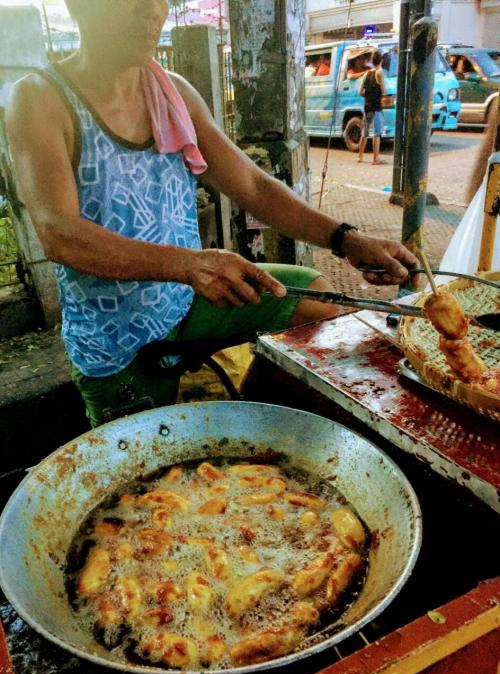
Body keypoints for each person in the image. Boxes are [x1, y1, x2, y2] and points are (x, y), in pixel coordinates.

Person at [5, 0, 419, 427]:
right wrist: (190, 265)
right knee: (150, 476)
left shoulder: (174, 93)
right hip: (117, 342)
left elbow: (253, 185)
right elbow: (59, 233)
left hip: (187, 303)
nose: (151, 12)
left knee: (313, 299)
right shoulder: (39, 99)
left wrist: (345, 239)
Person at [358, 50, 387, 165]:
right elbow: (384, 91)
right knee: (377, 133)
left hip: (367, 106)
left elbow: (360, 92)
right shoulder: (379, 73)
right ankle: (375, 159)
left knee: (364, 133)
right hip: (376, 107)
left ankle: (360, 157)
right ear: (382, 61)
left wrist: (368, 96)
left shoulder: (366, 74)